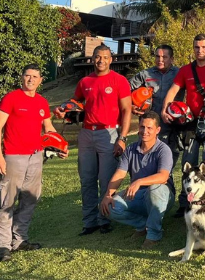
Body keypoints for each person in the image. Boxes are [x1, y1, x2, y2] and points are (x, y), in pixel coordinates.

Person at [54, 45, 132, 236]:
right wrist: (63, 110)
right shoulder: (85, 81)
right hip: (87, 134)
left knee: (106, 180)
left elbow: (127, 110)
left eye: (105, 57)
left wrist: (122, 138)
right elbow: (75, 104)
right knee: (87, 180)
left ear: (110, 60)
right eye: (98, 57)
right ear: (93, 59)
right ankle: (89, 222)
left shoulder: (119, 81)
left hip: (109, 133)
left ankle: (104, 219)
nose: (101, 61)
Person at [0, 64, 68, 261]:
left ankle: (19, 241)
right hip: (13, 156)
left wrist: (61, 147)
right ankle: (3, 246)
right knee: (6, 201)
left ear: (40, 80)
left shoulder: (42, 102)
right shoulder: (11, 98)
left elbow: (48, 128)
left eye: (35, 76)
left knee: (30, 199)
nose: (31, 79)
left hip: (36, 157)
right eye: (27, 75)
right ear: (22, 77)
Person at [161, 34, 205, 217]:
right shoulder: (185, 71)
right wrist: (164, 110)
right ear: (194, 49)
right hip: (190, 124)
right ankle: (185, 204)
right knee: (188, 164)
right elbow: (172, 91)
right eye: (197, 47)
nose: (200, 51)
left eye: (204, 47)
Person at [100, 111, 174, 248]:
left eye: (149, 128)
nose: (145, 131)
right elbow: (119, 174)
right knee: (110, 207)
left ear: (157, 130)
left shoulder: (164, 150)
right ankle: (143, 224)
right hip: (138, 195)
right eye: (142, 127)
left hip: (161, 196)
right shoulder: (130, 149)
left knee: (154, 190)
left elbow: (163, 176)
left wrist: (139, 181)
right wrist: (108, 194)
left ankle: (153, 234)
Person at [129, 45, 184, 165]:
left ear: (172, 59)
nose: (160, 60)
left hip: (172, 128)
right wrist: (131, 106)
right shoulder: (145, 74)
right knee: (144, 163)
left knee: (167, 165)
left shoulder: (180, 73)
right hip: (148, 128)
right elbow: (125, 91)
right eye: (158, 56)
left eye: (164, 57)